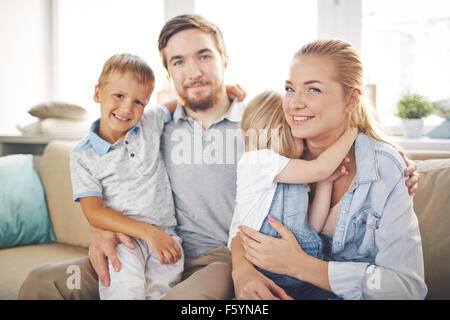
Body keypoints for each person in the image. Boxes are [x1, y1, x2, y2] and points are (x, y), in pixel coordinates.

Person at [18, 15, 419, 300]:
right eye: (179, 62)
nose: (193, 71)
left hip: (218, 260)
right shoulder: (153, 122)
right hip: (150, 247)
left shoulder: (264, 123)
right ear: (169, 74)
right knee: (45, 283)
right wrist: (100, 228)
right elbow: (106, 141)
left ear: (225, 59)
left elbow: (326, 121)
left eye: (204, 56)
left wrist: (386, 149)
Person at [233, 39, 428, 300]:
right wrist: (242, 270)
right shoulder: (275, 156)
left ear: (351, 100)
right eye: (290, 89)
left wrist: (301, 266)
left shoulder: (384, 168)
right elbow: (242, 225)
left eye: (313, 89)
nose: (293, 103)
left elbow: (407, 289)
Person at [69, 53, 184, 300]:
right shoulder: (83, 155)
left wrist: (221, 90)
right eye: (119, 96)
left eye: (139, 102)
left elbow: (177, 103)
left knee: (163, 294)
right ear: (98, 93)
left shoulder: (150, 123)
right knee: (125, 291)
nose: (127, 108)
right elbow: (94, 212)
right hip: (123, 240)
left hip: (165, 236)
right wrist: (146, 232)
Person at [229, 90, 358, 299]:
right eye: (300, 133)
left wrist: (325, 184)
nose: (306, 141)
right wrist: (352, 129)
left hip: (305, 274)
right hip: (268, 277)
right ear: (281, 132)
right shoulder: (256, 161)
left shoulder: (292, 174)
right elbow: (320, 168)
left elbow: (312, 228)